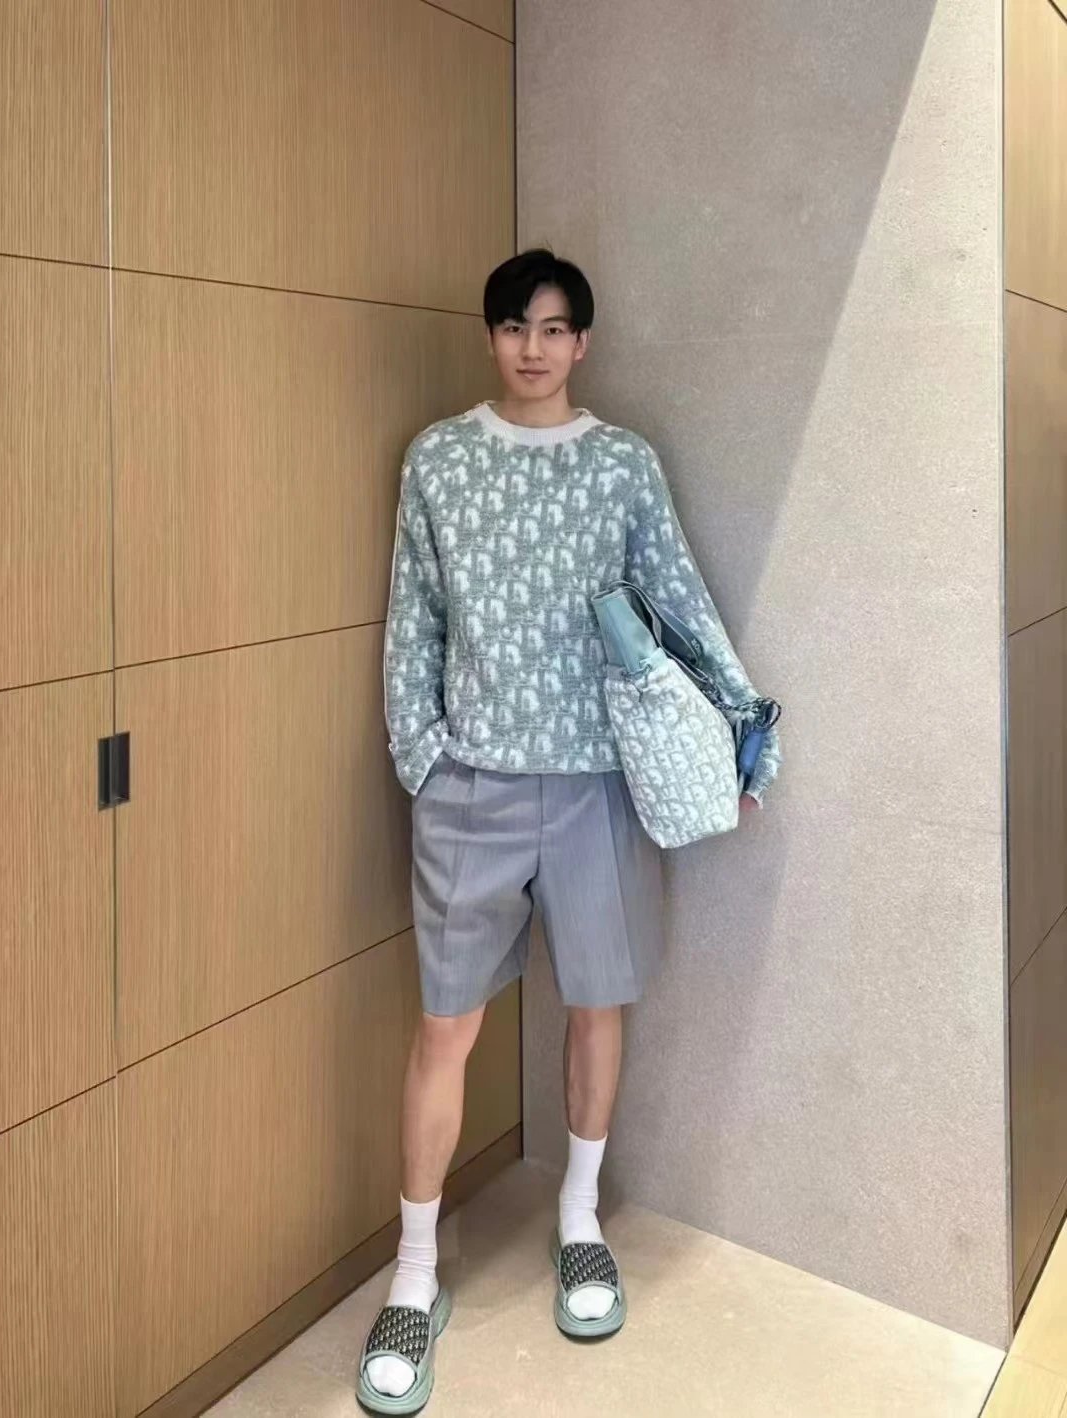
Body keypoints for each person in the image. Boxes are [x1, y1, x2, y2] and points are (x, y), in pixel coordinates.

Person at [356, 249, 780, 1414]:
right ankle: (415, 1270)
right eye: (513, 326)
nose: (532, 347)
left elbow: (679, 597)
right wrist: (424, 758)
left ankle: (579, 1221)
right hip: (469, 788)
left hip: (600, 786)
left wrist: (742, 733)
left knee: (599, 1004)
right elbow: (413, 619)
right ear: (490, 335)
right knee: (444, 1026)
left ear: (582, 342)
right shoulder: (438, 458)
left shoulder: (624, 463)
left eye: (553, 328)